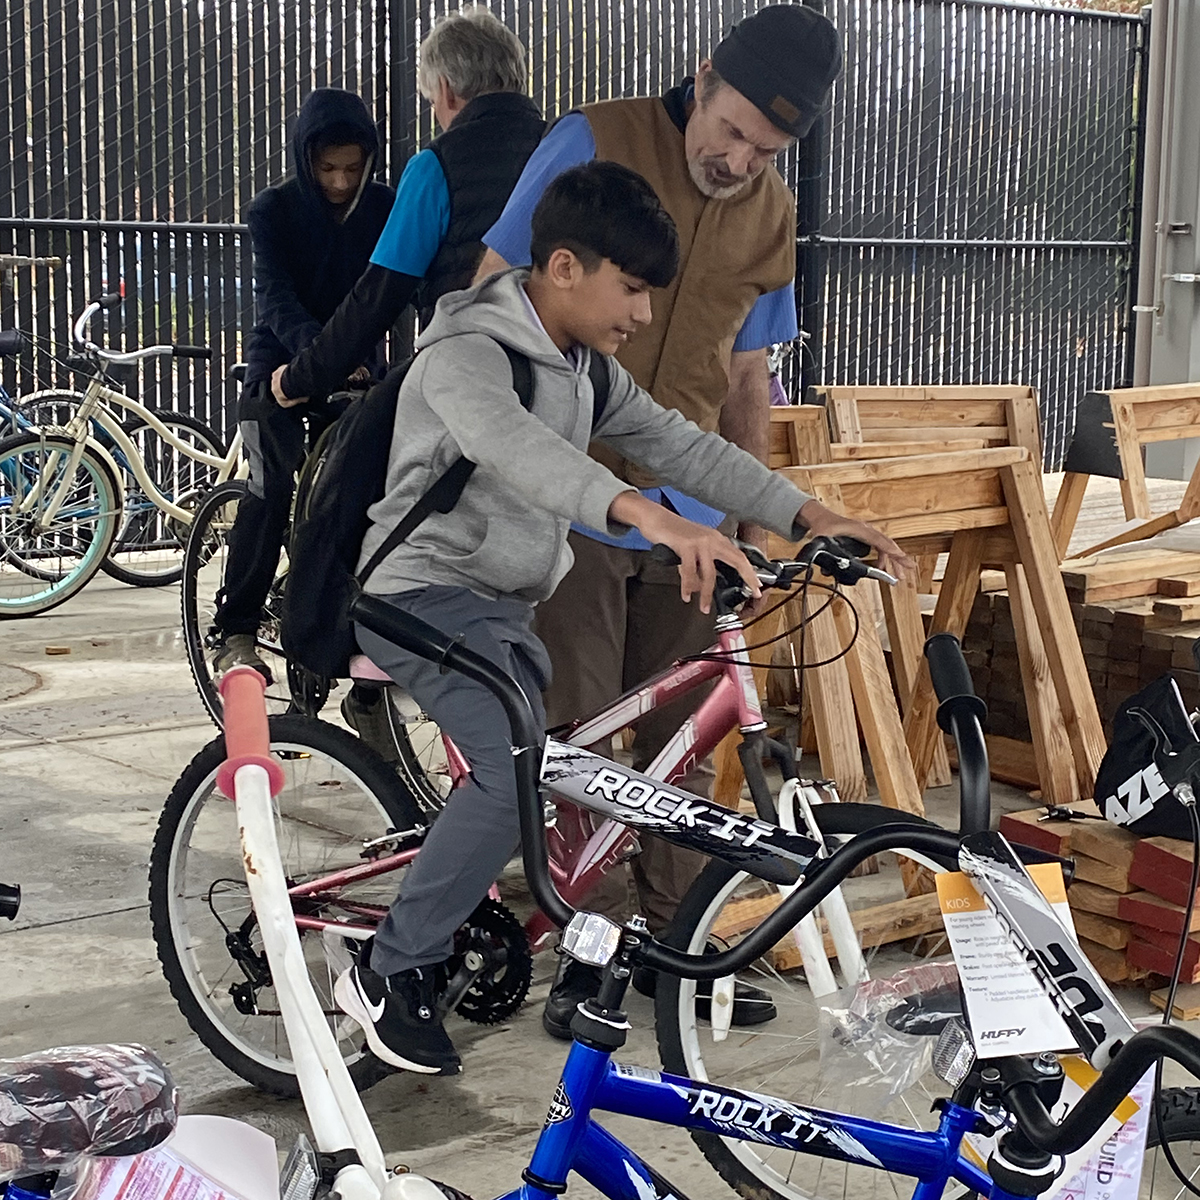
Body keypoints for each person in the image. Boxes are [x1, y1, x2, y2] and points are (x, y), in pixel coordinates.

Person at [332, 161, 910, 1076]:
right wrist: (645, 513)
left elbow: (685, 444)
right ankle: (388, 967)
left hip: (504, 608)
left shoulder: (585, 373)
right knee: (513, 767)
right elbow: (518, 454)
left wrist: (809, 514)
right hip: (419, 594)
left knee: (555, 767)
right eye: (632, 288)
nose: (643, 313)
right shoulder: (464, 354)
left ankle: (527, 910)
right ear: (564, 266)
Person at [473, 4, 845, 1037]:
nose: (737, 159)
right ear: (703, 71)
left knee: (683, 739)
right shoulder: (594, 139)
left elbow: (745, 381)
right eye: (729, 130)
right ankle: (589, 949)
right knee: (582, 730)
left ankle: (675, 946)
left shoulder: (769, 215)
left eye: (764, 150)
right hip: (569, 494)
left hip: (688, 518)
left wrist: (756, 522)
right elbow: (493, 290)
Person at [269, 7, 543, 744]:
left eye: (430, 101)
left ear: (448, 90)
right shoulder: (568, 148)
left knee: (345, 493)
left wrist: (302, 377)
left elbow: (380, 294)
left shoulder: (437, 165)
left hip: (465, 378)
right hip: (564, 387)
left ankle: (340, 659)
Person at [210, 89, 394, 677]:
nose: (340, 182)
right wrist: (319, 357)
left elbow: (392, 294)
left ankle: (347, 629)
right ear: (304, 158)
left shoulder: (388, 208)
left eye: (352, 168)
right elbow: (274, 300)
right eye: (326, 168)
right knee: (271, 488)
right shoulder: (273, 211)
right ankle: (235, 628)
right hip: (281, 363)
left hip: (355, 365)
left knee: (369, 491)